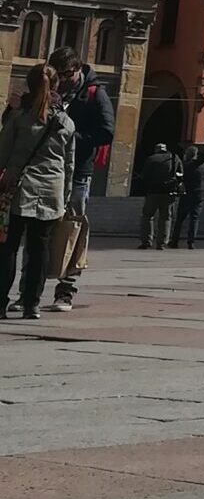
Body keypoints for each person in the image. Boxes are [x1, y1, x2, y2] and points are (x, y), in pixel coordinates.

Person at [0, 63, 76, 321]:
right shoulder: (66, 121)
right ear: (57, 86)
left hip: (18, 188)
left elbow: (2, 153)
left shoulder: (19, 116)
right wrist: (64, 198)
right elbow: (69, 164)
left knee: (8, 246)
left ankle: (0, 302)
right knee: (39, 247)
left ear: (28, 85)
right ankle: (32, 304)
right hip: (50, 191)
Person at [46, 44, 114, 314]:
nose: (62, 81)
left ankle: (65, 291)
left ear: (77, 69)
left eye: (66, 75)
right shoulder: (50, 90)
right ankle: (30, 290)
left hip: (79, 174)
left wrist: (74, 138)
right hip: (50, 169)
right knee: (42, 231)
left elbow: (107, 132)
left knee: (72, 230)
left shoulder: (95, 94)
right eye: (57, 75)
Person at [138, 144, 184, 250]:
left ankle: (146, 241)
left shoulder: (151, 159)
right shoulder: (174, 158)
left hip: (152, 192)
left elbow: (144, 176)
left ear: (156, 150)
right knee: (166, 218)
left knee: (148, 216)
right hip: (168, 193)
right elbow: (180, 174)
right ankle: (162, 243)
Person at [172, 144, 204, 248]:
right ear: (196, 155)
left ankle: (174, 241)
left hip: (186, 194)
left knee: (179, 219)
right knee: (194, 218)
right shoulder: (203, 166)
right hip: (198, 195)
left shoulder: (184, 165)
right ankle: (191, 242)